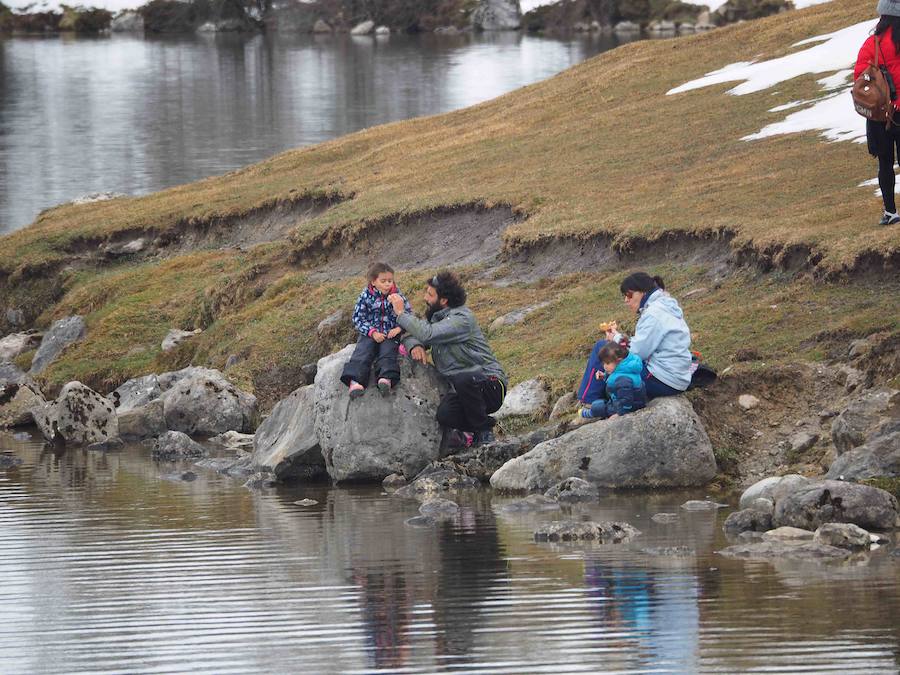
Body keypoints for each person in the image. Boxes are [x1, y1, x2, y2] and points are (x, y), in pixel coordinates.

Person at [387, 270, 507, 446]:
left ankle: (484, 431)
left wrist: (401, 314)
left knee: (463, 377)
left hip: (490, 385)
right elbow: (414, 334)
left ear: (443, 300)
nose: (425, 298)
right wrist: (416, 345)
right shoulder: (437, 319)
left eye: (430, 294)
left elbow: (427, 333)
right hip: (463, 391)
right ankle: (476, 429)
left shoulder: (461, 320)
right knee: (445, 414)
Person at [578, 272, 692, 404]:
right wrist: (618, 338)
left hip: (662, 380)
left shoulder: (653, 314)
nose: (626, 300)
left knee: (603, 347)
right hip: (676, 377)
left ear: (642, 292)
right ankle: (605, 399)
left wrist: (615, 338)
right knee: (612, 352)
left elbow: (637, 353)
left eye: (629, 295)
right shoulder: (666, 305)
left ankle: (589, 403)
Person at [855, 3, 900, 226]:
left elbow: (858, 76)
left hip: (880, 113)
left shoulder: (872, 43)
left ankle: (890, 212)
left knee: (885, 162)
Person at [340, 262, 411, 397]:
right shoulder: (365, 296)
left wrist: (399, 328)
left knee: (389, 352)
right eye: (383, 281)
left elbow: (408, 314)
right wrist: (372, 332)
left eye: (390, 280)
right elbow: (358, 318)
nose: (387, 284)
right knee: (363, 350)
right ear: (373, 282)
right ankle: (355, 381)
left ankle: (386, 378)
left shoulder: (398, 295)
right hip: (370, 332)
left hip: (390, 332)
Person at [576, 341, 647, 423]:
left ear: (619, 360)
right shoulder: (624, 368)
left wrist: (619, 414)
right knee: (601, 403)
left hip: (630, 406)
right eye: (603, 363)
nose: (604, 366)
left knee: (599, 407)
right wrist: (604, 376)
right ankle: (592, 411)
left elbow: (626, 401)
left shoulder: (623, 380)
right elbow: (616, 377)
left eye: (607, 363)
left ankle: (590, 414)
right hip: (622, 401)